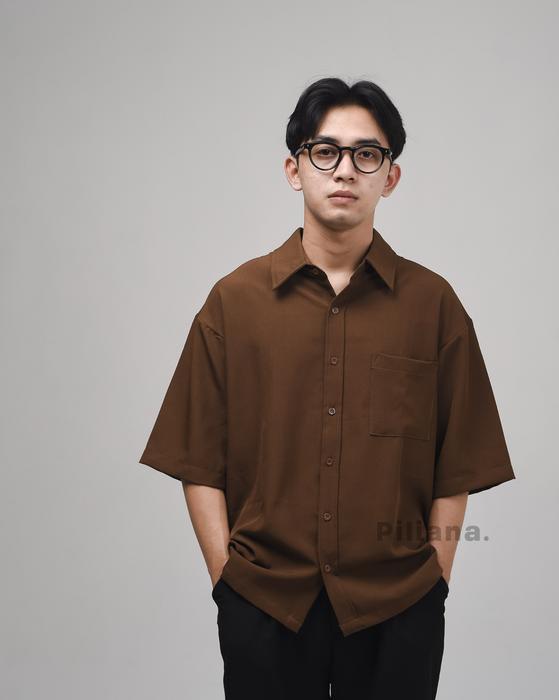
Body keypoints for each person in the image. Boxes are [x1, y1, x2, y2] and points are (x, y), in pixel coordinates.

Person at [138, 76, 516, 700]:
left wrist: (436, 581)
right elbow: (196, 459)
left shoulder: (433, 306)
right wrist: (226, 581)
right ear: (295, 169)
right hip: (265, 604)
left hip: (400, 607)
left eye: (367, 154)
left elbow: (458, 466)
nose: (345, 170)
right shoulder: (234, 303)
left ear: (390, 177)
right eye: (325, 151)